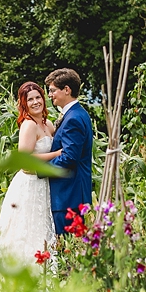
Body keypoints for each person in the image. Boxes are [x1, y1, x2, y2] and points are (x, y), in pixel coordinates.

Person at [0, 82, 61, 266]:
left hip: (44, 183)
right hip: (29, 184)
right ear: (24, 103)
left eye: (38, 97)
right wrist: (56, 154)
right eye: (30, 99)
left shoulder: (48, 124)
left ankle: (46, 267)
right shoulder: (28, 126)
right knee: (26, 229)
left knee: (42, 227)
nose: (36, 102)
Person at [45, 68, 93, 235]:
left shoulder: (73, 118)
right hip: (72, 195)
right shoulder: (76, 114)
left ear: (67, 89)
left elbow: (69, 158)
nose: (49, 95)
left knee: (67, 249)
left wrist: (41, 168)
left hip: (68, 196)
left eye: (52, 91)